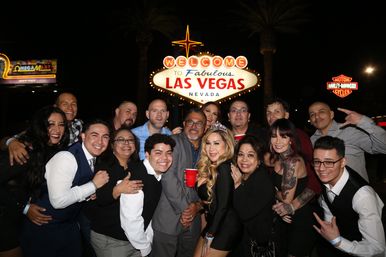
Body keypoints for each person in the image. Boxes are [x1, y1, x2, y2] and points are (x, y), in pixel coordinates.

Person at [20, 119, 111, 257]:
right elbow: (58, 201)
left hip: (68, 226)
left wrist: (89, 193)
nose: (100, 141)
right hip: (45, 227)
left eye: (105, 137)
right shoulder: (66, 157)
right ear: (83, 136)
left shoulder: (92, 157)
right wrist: (93, 185)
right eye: (94, 135)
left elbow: (74, 186)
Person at [0, 106, 69, 257]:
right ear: (41, 126)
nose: (57, 129)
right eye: (51, 124)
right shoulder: (25, 151)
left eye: (61, 124)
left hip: (19, 220)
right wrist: (24, 208)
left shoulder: (49, 149)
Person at [312, 136, 386, 257]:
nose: (321, 168)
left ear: (343, 162)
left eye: (329, 162)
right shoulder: (328, 176)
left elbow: (377, 248)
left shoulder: (363, 196)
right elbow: (329, 206)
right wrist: (329, 226)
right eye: (316, 161)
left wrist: (337, 241)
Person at [151, 107, 206, 257]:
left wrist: (197, 206)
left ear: (205, 127)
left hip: (193, 219)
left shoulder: (208, 148)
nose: (194, 126)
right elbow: (168, 178)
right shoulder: (173, 142)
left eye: (199, 123)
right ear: (184, 123)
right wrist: (186, 210)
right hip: (168, 217)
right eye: (190, 122)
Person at [86, 127, 144, 257]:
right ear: (112, 145)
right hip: (110, 238)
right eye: (121, 140)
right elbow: (98, 199)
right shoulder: (103, 167)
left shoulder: (138, 167)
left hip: (134, 238)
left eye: (130, 140)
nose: (126, 143)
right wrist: (117, 190)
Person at [120, 133, 176, 257]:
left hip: (138, 238)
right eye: (158, 152)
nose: (165, 158)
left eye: (169, 153)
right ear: (147, 154)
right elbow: (131, 221)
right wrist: (145, 248)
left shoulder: (158, 175)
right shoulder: (136, 178)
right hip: (119, 242)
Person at [265, 98, 321, 220]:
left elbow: (315, 178)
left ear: (286, 115)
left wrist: (292, 206)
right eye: (268, 112)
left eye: (276, 112)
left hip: (300, 210)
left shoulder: (299, 136)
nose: (271, 116)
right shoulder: (271, 141)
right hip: (280, 209)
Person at [269, 118, 316, 256]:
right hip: (285, 217)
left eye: (283, 136)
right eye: (274, 136)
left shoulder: (292, 161)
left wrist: (274, 192)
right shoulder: (278, 158)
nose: (278, 141)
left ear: (291, 139)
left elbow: (286, 198)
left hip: (301, 219)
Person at [194, 122, 242, 257]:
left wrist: (210, 235)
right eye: (208, 143)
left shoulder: (224, 167)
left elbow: (223, 207)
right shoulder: (211, 167)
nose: (211, 148)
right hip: (214, 223)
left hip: (226, 226)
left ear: (226, 145)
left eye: (216, 143)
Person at [308, 101, 386, 181]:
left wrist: (363, 122)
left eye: (321, 112)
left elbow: (383, 147)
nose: (316, 116)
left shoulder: (350, 132)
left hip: (356, 191)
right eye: (312, 114)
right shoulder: (311, 140)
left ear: (331, 114)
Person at [1, 91, 83, 166]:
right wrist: (11, 142)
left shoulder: (79, 125)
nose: (70, 108)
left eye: (73, 104)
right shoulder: (43, 126)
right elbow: (7, 141)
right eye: (65, 104)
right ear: (55, 107)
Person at [231, 135, 276, 257]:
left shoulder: (262, 180)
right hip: (239, 242)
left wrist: (238, 185)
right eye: (241, 154)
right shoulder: (241, 176)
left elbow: (245, 212)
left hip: (255, 247)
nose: (244, 160)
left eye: (250, 155)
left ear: (259, 160)